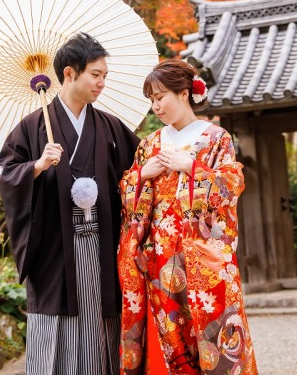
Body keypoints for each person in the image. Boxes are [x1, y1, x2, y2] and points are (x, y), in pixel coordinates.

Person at [0, 33, 140, 374]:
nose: (102, 82)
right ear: (70, 73)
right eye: (95, 74)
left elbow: (137, 168)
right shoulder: (32, 127)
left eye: (105, 75)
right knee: (57, 329)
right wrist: (37, 165)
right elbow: (5, 173)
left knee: (102, 326)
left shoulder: (109, 126)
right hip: (56, 248)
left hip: (103, 245)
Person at [117, 59, 257, 374]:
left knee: (215, 334)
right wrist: (141, 176)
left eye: (160, 97)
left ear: (184, 93)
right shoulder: (149, 144)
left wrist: (191, 166)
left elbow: (230, 187)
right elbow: (126, 193)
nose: (155, 106)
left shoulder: (216, 137)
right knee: (172, 338)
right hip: (161, 257)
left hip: (204, 255)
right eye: (151, 100)